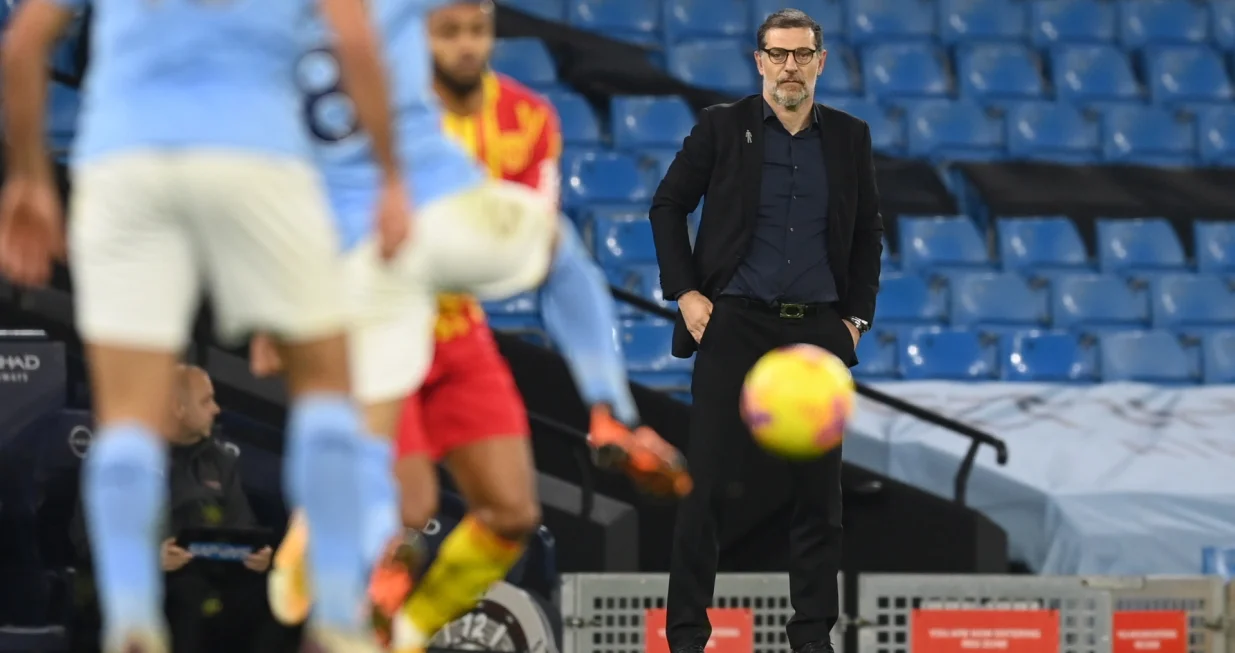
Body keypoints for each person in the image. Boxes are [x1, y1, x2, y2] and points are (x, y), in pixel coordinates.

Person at [255, 3, 692, 651]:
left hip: (458, 335)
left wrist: (609, 405)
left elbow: (557, 264)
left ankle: (404, 630)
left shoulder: (526, 122)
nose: (465, 46)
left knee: (511, 512)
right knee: (403, 515)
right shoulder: (374, 116)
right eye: (447, 31)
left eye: (477, 30)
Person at [0, 0, 406, 649]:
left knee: (129, 418)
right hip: (257, 157)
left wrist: (28, 178)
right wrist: (390, 175)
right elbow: (356, 45)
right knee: (327, 399)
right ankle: (334, 611)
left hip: (126, 165)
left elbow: (23, 45)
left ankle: (132, 614)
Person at [648, 9, 883, 653]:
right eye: (778, 55)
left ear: (821, 61)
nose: (790, 67)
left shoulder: (850, 137)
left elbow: (868, 234)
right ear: (759, 62)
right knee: (705, 494)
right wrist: (688, 295)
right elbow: (667, 205)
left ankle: (812, 640)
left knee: (819, 502)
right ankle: (687, 639)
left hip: (815, 336)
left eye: (802, 55)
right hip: (734, 326)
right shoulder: (721, 128)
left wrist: (855, 321)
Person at [71, 366, 292, 653]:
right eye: (206, 401)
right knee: (189, 595)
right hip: (142, 581)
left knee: (278, 597)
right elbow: (85, 540)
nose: (216, 409)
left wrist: (257, 556)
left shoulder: (219, 461)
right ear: (178, 407)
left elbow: (243, 527)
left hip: (215, 577)